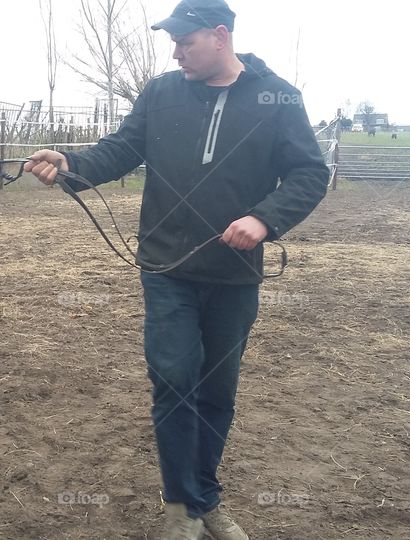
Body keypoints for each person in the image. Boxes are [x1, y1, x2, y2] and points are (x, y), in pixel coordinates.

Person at [25, 0, 329, 538]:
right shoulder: (160, 93)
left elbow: (309, 173)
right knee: (173, 379)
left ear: (220, 37)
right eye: (173, 43)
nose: (176, 53)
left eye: (185, 42)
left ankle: (205, 498)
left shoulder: (278, 98)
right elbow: (120, 150)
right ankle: (182, 508)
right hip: (166, 266)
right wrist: (71, 164)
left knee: (217, 389)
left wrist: (264, 218)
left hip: (235, 274)